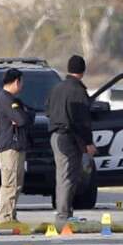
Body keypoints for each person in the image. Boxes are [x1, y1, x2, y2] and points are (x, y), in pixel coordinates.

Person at [46, 54, 97, 228]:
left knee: (67, 175)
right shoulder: (78, 91)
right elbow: (82, 120)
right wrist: (88, 143)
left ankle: (67, 212)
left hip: (56, 135)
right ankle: (62, 216)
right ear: (82, 71)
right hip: (67, 137)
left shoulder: (57, 88)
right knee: (66, 176)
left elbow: (48, 110)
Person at [0, 68, 34, 223]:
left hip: (16, 146)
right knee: (10, 184)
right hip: (10, 147)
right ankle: (5, 217)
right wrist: (22, 116)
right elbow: (22, 119)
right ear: (17, 81)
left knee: (16, 184)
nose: (22, 85)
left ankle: (11, 214)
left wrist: (23, 116)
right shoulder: (6, 100)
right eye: (22, 82)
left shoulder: (12, 100)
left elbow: (27, 116)